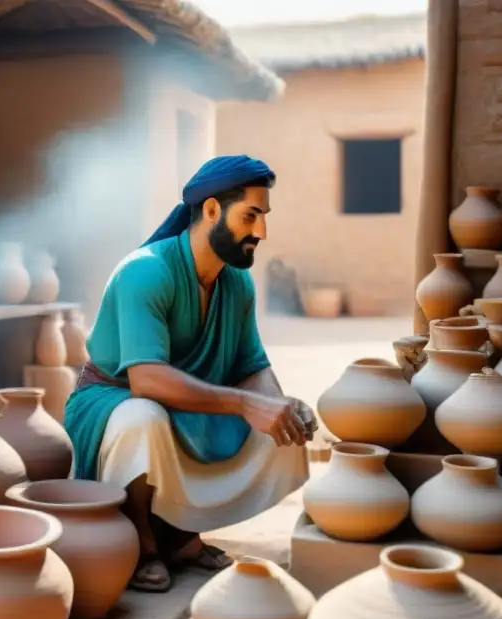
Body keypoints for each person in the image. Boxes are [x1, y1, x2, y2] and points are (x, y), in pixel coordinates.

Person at [63, 154, 317, 593]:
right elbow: (147, 382)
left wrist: (278, 405)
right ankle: (142, 541)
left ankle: (181, 536)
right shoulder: (145, 272)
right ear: (213, 210)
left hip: (188, 405)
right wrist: (245, 403)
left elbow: (251, 366)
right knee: (144, 418)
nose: (260, 232)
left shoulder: (236, 283)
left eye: (263, 217)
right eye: (250, 216)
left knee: (284, 428)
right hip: (113, 404)